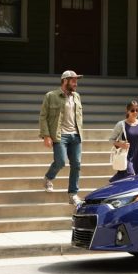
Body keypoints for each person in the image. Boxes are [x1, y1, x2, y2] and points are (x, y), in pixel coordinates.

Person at [39, 70, 84, 206]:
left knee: (76, 164)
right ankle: (48, 178)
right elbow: (43, 116)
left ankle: (73, 194)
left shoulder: (76, 96)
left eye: (76, 81)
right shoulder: (51, 96)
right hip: (60, 135)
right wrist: (46, 135)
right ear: (65, 81)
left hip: (75, 135)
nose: (76, 83)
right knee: (60, 162)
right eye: (73, 81)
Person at [109, 100, 138, 182]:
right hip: (126, 156)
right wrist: (121, 144)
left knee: (137, 179)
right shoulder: (121, 124)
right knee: (130, 176)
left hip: (137, 156)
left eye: (137, 110)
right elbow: (111, 140)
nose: (135, 112)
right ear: (127, 111)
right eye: (132, 110)